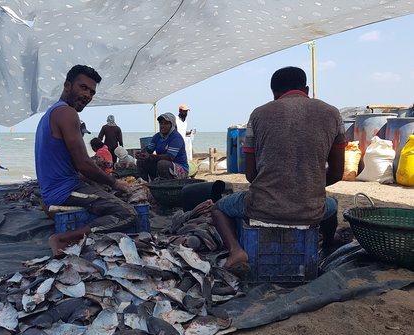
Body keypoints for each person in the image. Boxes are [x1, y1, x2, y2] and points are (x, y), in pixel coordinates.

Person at [211, 66, 346, 276]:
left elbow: (251, 175)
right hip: (311, 210)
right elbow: (337, 173)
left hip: (263, 207)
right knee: (332, 205)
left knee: (219, 208)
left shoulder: (258, 115)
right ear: (307, 89)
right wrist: (309, 184)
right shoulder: (332, 114)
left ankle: (236, 251)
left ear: (274, 93)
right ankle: (328, 245)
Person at [35, 64, 136, 255]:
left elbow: (74, 163)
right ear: (67, 85)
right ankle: (64, 238)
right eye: (83, 88)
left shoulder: (52, 113)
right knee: (127, 213)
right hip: (62, 192)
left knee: (103, 189)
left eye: (91, 92)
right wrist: (116, 183)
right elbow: (83, 164)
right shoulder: (67, 113)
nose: (87, 95)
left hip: (53, 189)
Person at [136, 112, 189, 181]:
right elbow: (149, 150)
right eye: (161, 123)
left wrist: (150, 156)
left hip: (180, 169)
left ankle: (167, 185)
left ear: (172, 125)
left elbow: (169, 157)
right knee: (141, 160)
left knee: (163, 164)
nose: (162, 126)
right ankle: (145, 183)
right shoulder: (157, 136)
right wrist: (141, 154)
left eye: (166, 123)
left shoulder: (176, 137)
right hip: (162, 165)